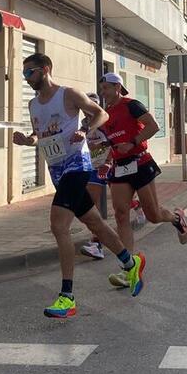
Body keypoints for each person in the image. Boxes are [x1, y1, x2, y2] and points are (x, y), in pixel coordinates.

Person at [13, 55, 145, 318]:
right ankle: (131, 263)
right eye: (24, 74)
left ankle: (67, 296)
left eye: (30, 73)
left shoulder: (68, 95)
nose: (26, 78)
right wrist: (27, 141)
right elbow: (41, 134)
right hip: (56, 169)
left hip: (77, 164)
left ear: (46, 70)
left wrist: (85, 129)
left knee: (58, 225)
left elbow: (101, 113)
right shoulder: (32, 105)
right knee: (95, 223)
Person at [99, 72, 187, 290]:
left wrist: (132, 143)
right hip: (120, 168)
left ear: (117, 88)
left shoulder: (132, 105)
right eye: (101, 89)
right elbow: (111, 141)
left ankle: (177, 218)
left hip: (140, 162)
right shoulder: (104, 114)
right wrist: (106, 156)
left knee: (153, 215)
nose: (103, 93)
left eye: (106, 88)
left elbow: (153, 126)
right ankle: (128, 267)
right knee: (121, 214)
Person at [81, 93, 109, 260]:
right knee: (92, 203)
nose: (87, 111)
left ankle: (97, 243)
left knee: (92, 203)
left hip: (104, 165)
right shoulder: (84, 124)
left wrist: (109, 161)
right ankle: (97, 242)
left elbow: (111, 141)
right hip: (91, 165)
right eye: (85, 107)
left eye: (91, 106)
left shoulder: (104, 121)